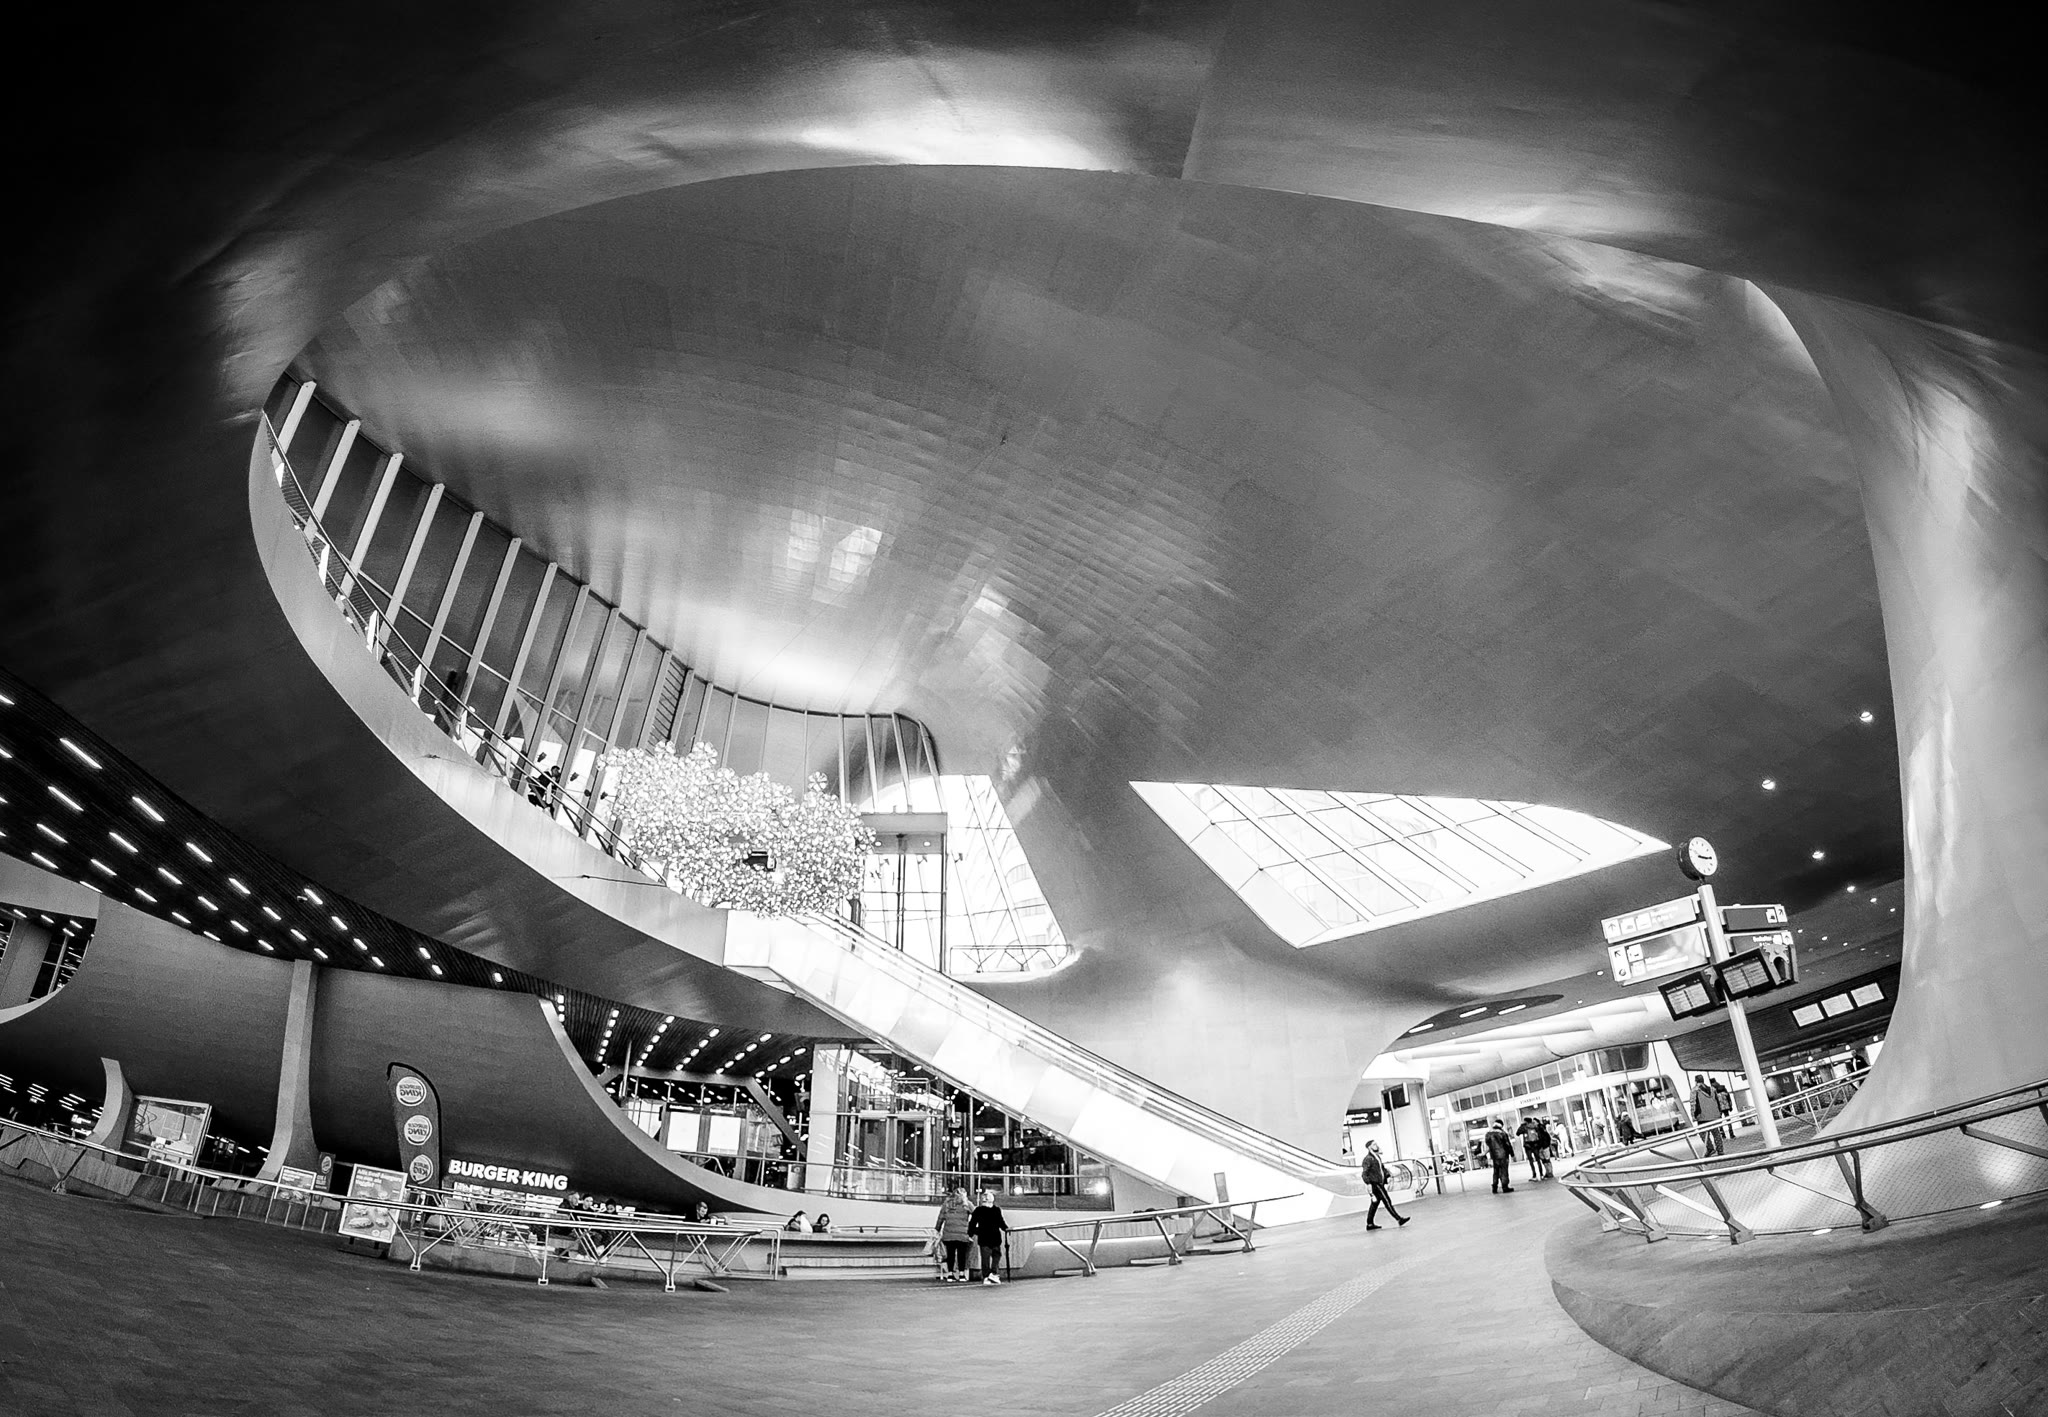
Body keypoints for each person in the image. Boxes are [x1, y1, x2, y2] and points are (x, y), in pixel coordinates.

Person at [1359, 1140, 1409, 1230]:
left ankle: (1369, 1224)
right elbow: (1364, 1173)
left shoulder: (1376, 1157)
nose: (1376, 1145)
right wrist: (1368, 1183)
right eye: (1374, 1144)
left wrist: (1388, 1175)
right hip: (1375, 1183)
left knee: (1375, 1203)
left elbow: (1381, 1168)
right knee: (1386, 1200)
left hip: (1379, 1182)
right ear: (1369, 1147)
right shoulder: (1368, 1159)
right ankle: (1399, 1219)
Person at [968, 1188, 1010, 1284]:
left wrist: (971, 1233)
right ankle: (994, 1273)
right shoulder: (996, 1210)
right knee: (996, 1255)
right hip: (995, 1237)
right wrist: (1006, 1229)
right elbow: (1001, 1222)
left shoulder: (978, 1210)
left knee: (985, 1258)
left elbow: (972, 1223)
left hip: (983, 1237)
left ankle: (986, 1276)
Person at [935, 1186, 974, 1283]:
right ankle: (961, 1274)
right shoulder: (967, 1204)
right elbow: (975, 1214)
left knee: (950, 1254)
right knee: (962, 1254)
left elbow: (940, 1217)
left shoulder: (947, 1204)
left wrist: (937, 1229)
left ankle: (950, 1274)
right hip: (962, 1234)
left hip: (949, 1233)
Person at [1691, 1075, 1725, 1156]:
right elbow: (1718, 1101)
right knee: (1716, 1132)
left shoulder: (1694, 1090)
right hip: (1714, 1114)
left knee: (1703, 1133)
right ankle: (1720, 1150)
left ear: (1695, 1081)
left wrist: (1693, 1116)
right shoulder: (1712, 1089)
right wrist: (1719, 1113)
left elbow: (1693, 1104)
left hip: (1702, 1116)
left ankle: (1710, 1149)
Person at [1484, 1119, 1515, 1193]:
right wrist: (1512, 1153)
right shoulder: (1502, 1133)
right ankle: (1505, 1187)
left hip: (1494, 1155)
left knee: (1496, 1171)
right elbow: (1507, 1144)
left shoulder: (1488, 1133)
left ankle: (1494, 1187)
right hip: (1503, 1154)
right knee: (1504, 1171)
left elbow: (1487, 1143)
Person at [1516, 1116, 1543, 1180]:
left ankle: (1534, 1176)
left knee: (1531, 1161)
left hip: (1528, 1146)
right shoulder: (1535, 1126)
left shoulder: (1524, 1127)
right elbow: (1539, 1135)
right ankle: (1541, 1174)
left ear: (1525, 1121)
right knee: (1538, 1160)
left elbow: (1517, 1133)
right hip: (1535, 1145)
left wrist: (1521, 1125)